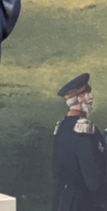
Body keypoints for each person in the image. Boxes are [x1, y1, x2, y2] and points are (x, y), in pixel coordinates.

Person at [52, 74, 107, 211]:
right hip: (84, 203)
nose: (91, 97)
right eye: (87, 94)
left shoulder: (61, 127)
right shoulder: (84, 131)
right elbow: (92, 179)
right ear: (79, 99)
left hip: (64, 201)